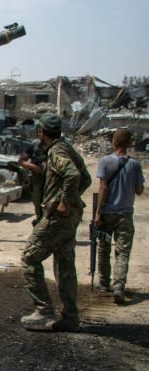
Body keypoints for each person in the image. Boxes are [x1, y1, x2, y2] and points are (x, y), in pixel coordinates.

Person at [20, 113, 91, 332]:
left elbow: (72, 175)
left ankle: (43, 311)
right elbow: (86, 179)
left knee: (29, 258)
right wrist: (71, 201)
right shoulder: (66, 148)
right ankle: (70, 316)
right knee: (65, 265)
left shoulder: (57, 152)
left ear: (41, 132)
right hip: (68, 219)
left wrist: (64, 202)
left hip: (57, 218)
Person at [94, 128, 145, 304]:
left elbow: (103, 188)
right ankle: (118, 286)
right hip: (125, 214)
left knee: (104, 248)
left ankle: (103, 282)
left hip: (107, 213)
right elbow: (139, 190)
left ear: (113, 143)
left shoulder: (105, 162)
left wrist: (98, 213)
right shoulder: (135, 165)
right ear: (129, 144)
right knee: (122, 253)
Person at [17, 139, 45, 224]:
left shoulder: (58, 146)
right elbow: (21, 161)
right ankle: (40, 219)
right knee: (38, 202)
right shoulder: (35, 146)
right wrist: (33, 167)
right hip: (37, 181)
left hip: (54, 182)